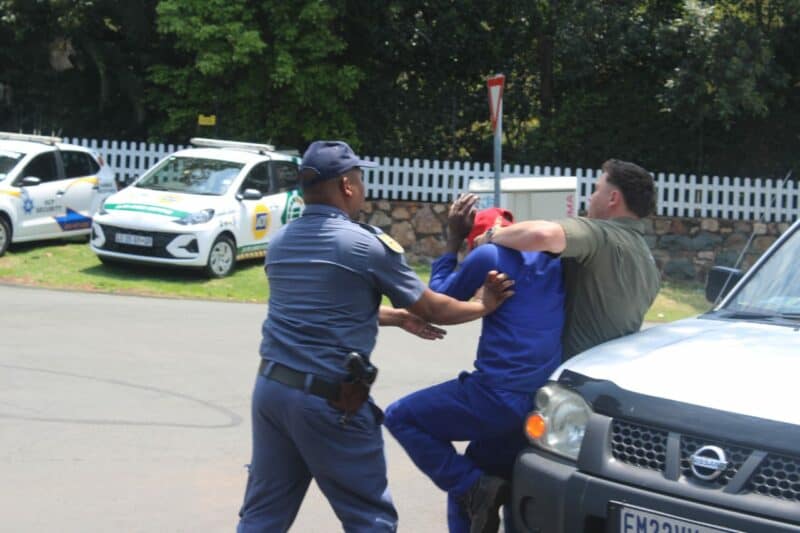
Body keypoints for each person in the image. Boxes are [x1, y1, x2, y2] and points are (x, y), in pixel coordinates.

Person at [236, 140, 514, 533]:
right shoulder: (364, 245)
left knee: (262, 517)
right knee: (371, 521)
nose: (363, 189)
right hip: (328, 402)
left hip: (272, 393)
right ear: (347, 186)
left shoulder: (281, 242)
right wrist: (483, 305)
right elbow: (433, 308)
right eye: (360, 181)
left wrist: (396, 317)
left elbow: (319, 313)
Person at [384, 199, 565, 533]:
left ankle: (472, 486)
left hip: (497, 395)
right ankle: (476, 490)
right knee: (493, 481)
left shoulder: (488, 256)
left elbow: (435, 302)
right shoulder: (553, 262)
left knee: (401, 417)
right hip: (539, 402)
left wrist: (453, 244)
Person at [474, 158, 661, 360]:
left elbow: (542, 236)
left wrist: (491, 235)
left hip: (569, 373)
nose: (590, 198)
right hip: (608, 370)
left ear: (613, 198)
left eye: (596, 190)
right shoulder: (649, 263)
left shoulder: (601, 234)